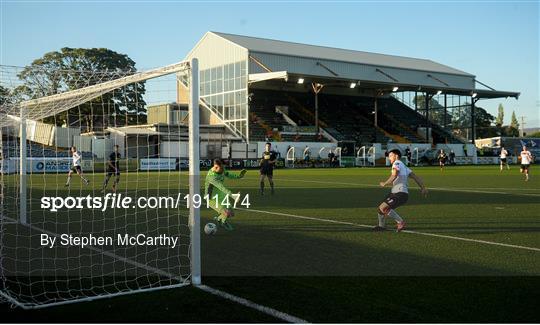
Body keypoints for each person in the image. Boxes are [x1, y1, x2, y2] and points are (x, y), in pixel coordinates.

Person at [373, 149, 428, 232]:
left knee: (384, 208)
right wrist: (423, 188)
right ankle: (381, 226)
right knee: (381, 208)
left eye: (391, 155)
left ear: (396, 156)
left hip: (399, 193)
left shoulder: (397, 163)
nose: (389, 157)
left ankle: (400, 222)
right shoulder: (405, 167)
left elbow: (394, 175)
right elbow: (415, 177)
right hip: (397, 193)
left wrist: (385, 183)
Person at [205, 159, 246, 230]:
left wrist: (239, 176)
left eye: (223, 168)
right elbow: (221, 187)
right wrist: (233, 196)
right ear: (215, 167)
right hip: (211, 198)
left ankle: (219, 219)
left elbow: (229, 174)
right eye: (221, 168)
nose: (223, 170)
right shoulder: (211, 177)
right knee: (227, 213)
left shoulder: (222, 169)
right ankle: (222, 221)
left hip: (221, 195)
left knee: (232, 213)